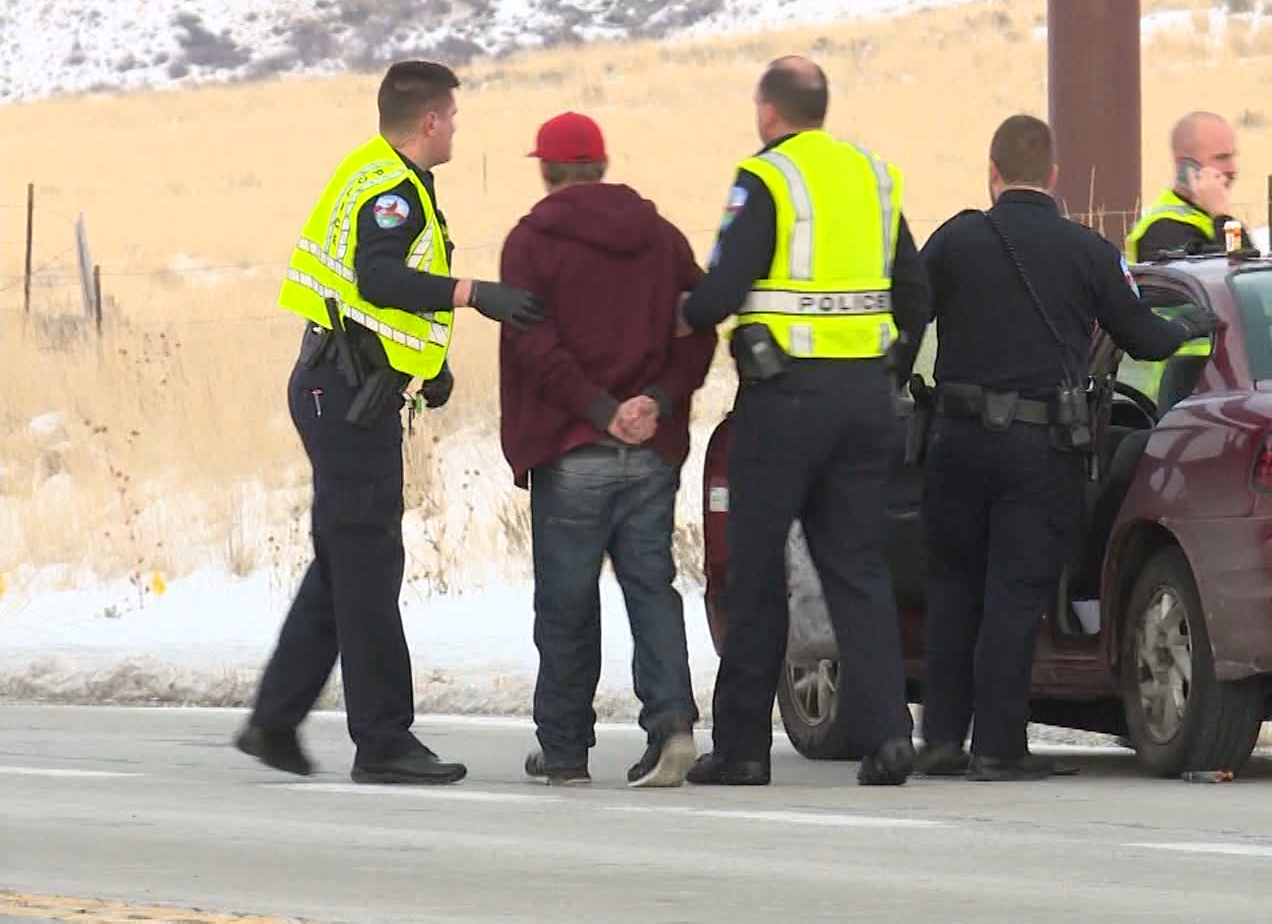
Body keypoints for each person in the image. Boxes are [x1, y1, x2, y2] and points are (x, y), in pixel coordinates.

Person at [237, 60, 546, 785]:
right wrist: (474, 294)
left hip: (346, 384)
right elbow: (377, 277)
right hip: (345, 396)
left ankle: (274, 721)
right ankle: (382, 742)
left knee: (344, 562)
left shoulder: (378, 170)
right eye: (453, 117)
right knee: (369, 567)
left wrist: (425, 368)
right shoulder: (392, 191)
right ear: (430, 120)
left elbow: (361, 295)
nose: (457, 129)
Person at [906, 114, 1220, 781]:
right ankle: (997, 747)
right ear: (1053, 176)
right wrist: (1194, 323)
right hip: (1038, 445)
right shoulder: (1087, 251)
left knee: (953, 589)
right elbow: (1144, 340)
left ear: (992, 172)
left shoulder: (956, 240)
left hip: (956, 439)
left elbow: (907, 316)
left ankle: (940, 739)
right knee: (1014, 593)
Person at [677, 55, 930, 787]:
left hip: (785, 404)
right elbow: (916, 295)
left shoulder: (768, 178)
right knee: (858, 571)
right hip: (866, 402)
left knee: (757, 573)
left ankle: (742, 749)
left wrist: (686, 311)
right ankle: (888, 737)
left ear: (768, 111)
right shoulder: (874, 178)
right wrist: (888, 362)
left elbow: (722, 291)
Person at [497, 111, 720, 789]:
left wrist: (600, 411)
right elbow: (700, 324)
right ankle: (672, 727)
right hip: (652, 448)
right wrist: (657, 399)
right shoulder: (662, 238)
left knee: (565, 602)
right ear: (602, 164)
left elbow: (535, 347)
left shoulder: (531, 243)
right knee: (652, 589)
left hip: (572, 449)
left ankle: (565, 750)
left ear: (546, 169)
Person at [1124, 110, 1241, 263]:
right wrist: (1223, 217)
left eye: (1233, 156)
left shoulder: (1208, 217)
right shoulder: (1164, 230)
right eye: (1221, 158)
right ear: (1186, 166)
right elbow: (1237, 269)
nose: (1233, 169)